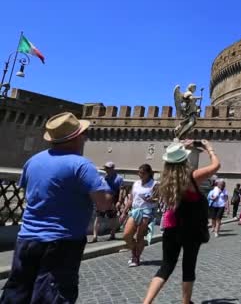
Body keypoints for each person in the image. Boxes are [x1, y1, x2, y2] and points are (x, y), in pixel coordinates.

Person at [0, 112, 113, 303]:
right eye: (83, 134)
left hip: (26, 239)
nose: (85, 138)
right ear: (76, 138)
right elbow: (104, 202)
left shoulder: (32, 161)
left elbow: (32, 194)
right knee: (53, 297)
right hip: (61, 242)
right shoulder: (82, 165)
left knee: (17, 294)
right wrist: (105, 183)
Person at [143, 139, 220, 304]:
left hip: (171, 226)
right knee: (188, 267)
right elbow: (216, 166)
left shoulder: (165, 178)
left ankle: (146, 302)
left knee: (166, 266)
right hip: (191, 229)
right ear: (184, 160)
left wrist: (180, 147)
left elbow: (173, 159)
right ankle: (185, 302)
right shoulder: (192, 176)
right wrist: (209, 149)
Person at [122, 164, 158, 267]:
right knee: (126, 235)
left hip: (146, 212)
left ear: (148, 173)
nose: (140, 175)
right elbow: (131, 199)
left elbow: (158, 199)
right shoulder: (136, 183)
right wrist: (124, 212)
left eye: (142, 173)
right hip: (135, 210)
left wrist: (151, 200)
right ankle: (134, 250)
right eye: (139, 172)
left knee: (139, 236)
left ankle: (136, 257)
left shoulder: (154, 184)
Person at [91, 161, 124, 243]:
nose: (106, 170)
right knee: (98, 217)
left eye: (108, 168)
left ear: (113, 168)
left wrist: (119, 201)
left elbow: (121, 190)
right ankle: (95, 236)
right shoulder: (103, 178)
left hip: (112, 201)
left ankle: (112, 234)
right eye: (106, 168)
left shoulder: (118, 178)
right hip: (102, 201)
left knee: (112, 218)